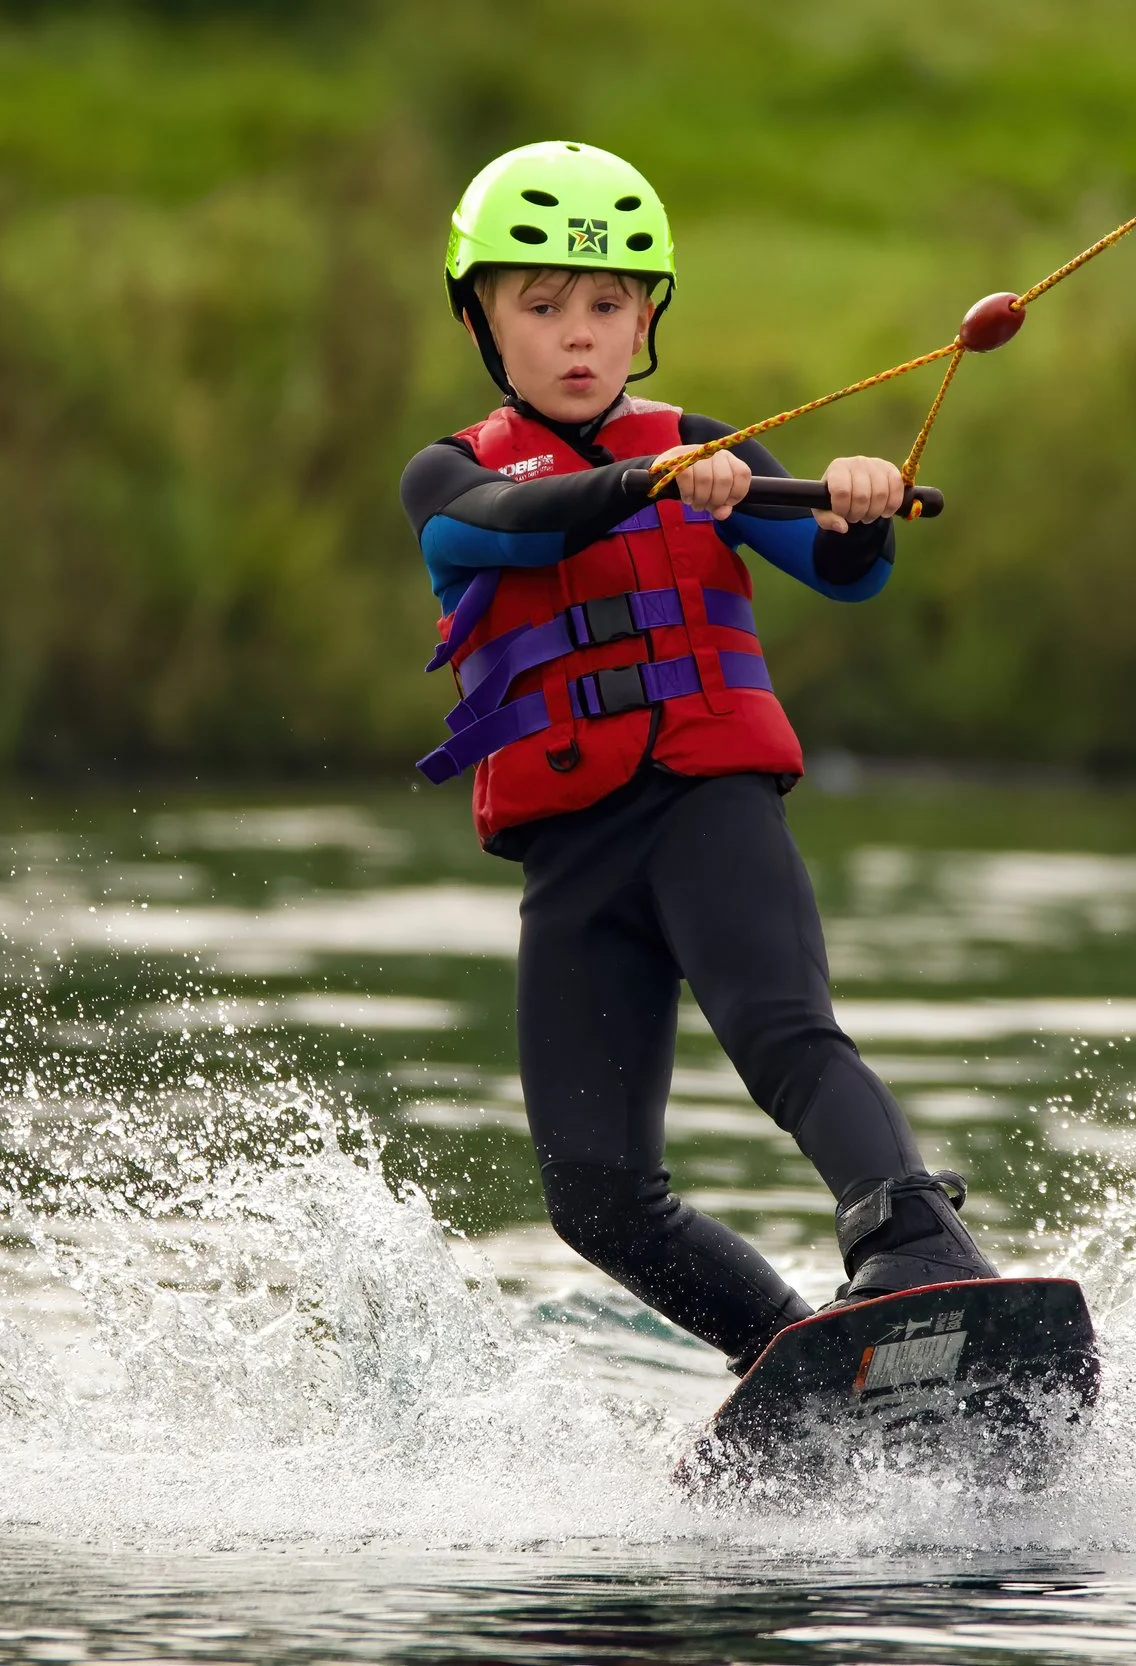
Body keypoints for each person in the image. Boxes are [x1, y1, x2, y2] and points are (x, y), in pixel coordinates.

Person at [400, 140, 996, 1377]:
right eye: (543, 304)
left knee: (784, 1034)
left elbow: (838, 571)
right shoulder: (451, 475)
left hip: (705, 807)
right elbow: (513, 526)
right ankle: (791, 1353)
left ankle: (918, 1244)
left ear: (647, 317)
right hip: (574, 861)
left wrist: (855, 501)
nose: (579, 333)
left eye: (608, 305)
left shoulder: (711, 445)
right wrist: (648, 480)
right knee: (595, 1198)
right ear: (481, 317)